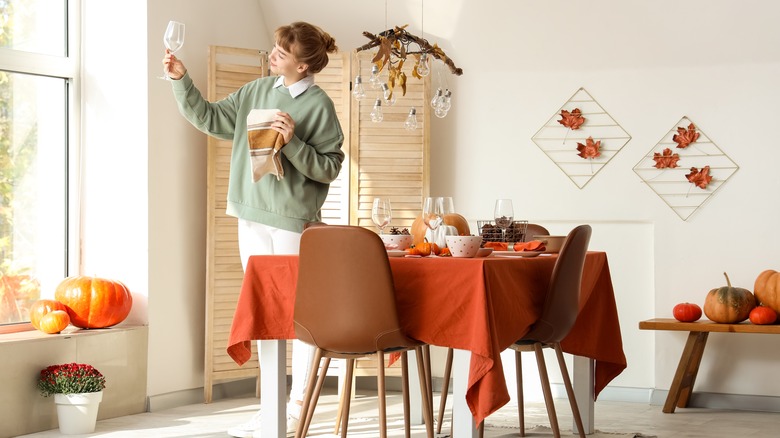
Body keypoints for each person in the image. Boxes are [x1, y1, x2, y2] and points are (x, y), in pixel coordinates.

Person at [163, 22, 344, 438]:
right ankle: (273, 407)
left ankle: (300, 403)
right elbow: (210, 119)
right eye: (275, 48)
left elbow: (329, 167)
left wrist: (292, 141)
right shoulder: (256, 90)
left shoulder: (320, 106)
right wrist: (180, 80)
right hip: (250, 215)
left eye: (283, 52)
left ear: (303, 64)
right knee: (265, 316)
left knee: (299, 318)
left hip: (293, 224)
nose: (273, 54)